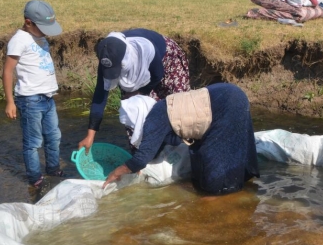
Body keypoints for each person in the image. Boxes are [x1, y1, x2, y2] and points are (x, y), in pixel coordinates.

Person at [103, 83, 260, 195]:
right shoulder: (158, 108)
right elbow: (158, 146)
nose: (131, 129)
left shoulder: (153, 122)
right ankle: (244, 179)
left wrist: (117, 172)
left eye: (130, 125)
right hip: (227, 92)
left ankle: (226, 193)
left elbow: (141, 159)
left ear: (136, 117)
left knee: (213, 164)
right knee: (206, 155)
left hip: (226, 102)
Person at [78, 28, 191, 152]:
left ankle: (180, 149)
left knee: (175, 106)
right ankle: (141, 154)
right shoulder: (107, 60)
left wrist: (141, 92)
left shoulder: (145, 50)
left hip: (166, 59)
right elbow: (100, 96)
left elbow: (157, 75)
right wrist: (90, 135)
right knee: (132, 110)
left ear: (125, 60)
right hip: (138, 69)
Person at [2, 0, 66, 188]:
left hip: (47, 97)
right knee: (33, 142)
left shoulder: (39, 36)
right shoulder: (19, 40)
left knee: (54, 136)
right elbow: (7, 71)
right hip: (30, 100)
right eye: (44, 27)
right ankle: (35, 177)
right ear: (28, 22)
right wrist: (9, 102)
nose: (47, 32)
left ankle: (53, 169)